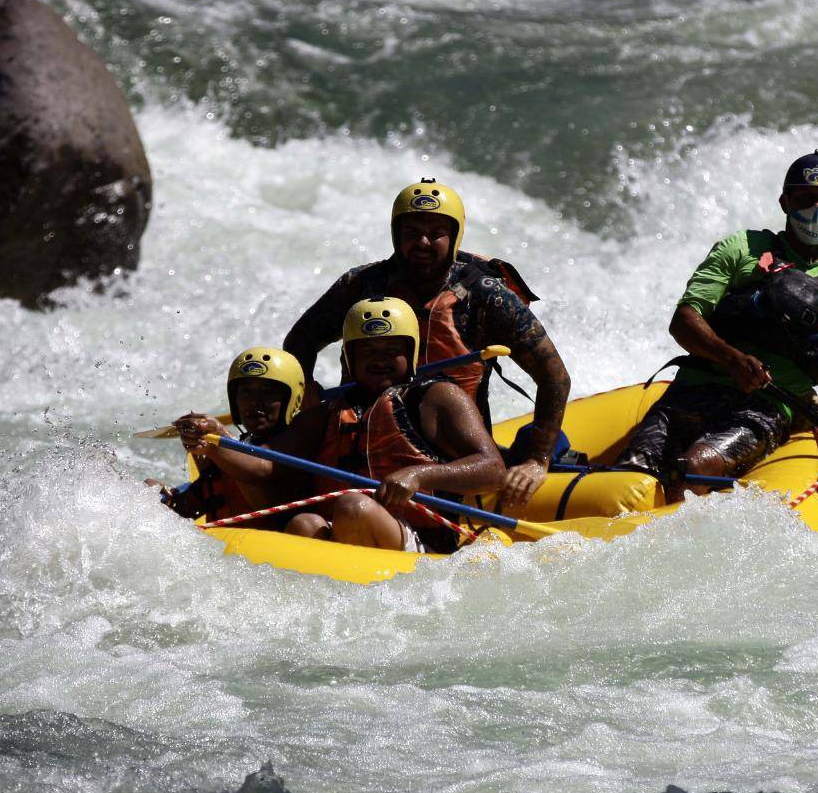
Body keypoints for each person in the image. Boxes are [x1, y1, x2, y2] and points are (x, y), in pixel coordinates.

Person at [616, 151, 818, 499]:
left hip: (766, 409)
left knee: (694, 466)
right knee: (628, 476)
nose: (815, 210)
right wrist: (731, 359)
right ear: (785, 201)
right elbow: (684, 320)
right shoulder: (741, 249)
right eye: (804, 199)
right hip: (693, 390)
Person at [282, 179, 570, 515]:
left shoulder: (485, 296)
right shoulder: (361, 286)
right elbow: (300, 341)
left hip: (452, 451)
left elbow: (555, 378)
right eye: (412, 232)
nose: (422, 242)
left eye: (435, 233)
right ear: (395, 234)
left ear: (454, 236)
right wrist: (309, 394)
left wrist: (537, 460)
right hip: (358, 439)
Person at [187, 297, 507, 552]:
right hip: (346, 536)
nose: (379, 359)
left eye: (391, 350)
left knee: (353, 506)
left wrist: (419, 475)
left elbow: (493, 470)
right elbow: (264, 467)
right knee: (305, 524)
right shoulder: (328, 412)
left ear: (411, 353)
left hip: (424, 541)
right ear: (348, 358)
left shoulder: (438, 397)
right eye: (367, 350)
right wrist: (217, 440)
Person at [162, 348, 306, 526]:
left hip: (283, 539)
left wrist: (219, 443)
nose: (255, 402)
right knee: (151, 487)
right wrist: (155, 499)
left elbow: (262, 472)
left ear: (291, 400)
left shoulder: (301, 439)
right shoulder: (230, 452)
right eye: (246, 391)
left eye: (268, 392)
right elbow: (186, 508)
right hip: (230, 546)